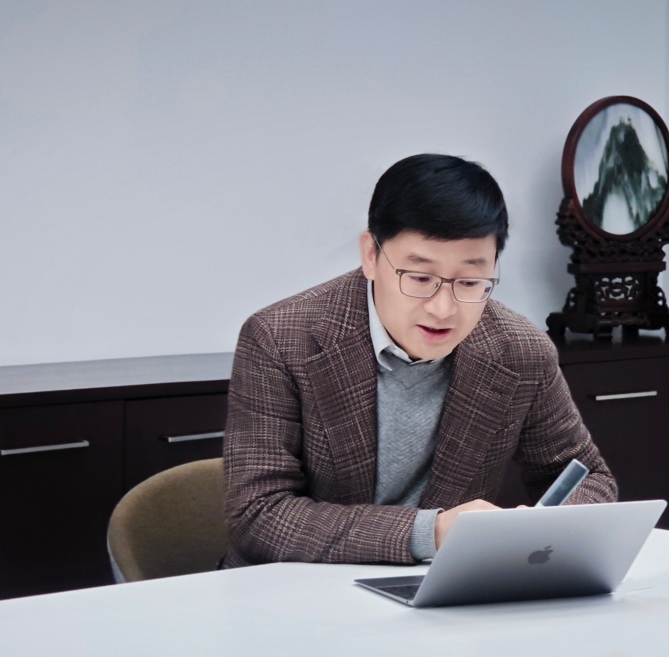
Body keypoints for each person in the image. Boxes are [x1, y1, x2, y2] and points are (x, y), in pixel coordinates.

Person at [222, 153, 617, 567]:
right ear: (371, 255)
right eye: (420, 278)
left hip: (445, 589)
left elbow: (586, 477)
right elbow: (258, 514)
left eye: (470, 281)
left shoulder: (520, 352)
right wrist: (431, 533)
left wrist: (542, 525)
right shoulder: (281, 339)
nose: (443, 309)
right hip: (295, 589)